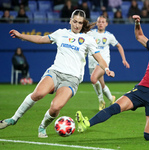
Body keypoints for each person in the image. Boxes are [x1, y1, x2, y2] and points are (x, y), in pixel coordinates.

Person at [0, 9, 115, 138]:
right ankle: (13, 119)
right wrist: (21, 35)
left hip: (72, 79)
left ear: (83, 24)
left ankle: (42, 126)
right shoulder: (61, 34)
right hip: (55, 72)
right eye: (75, 21)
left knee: (55, 107)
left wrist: (106, 69)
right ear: (70, 21)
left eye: (80, 23)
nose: (77, 25)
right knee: (38, 93)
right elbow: (40, 39)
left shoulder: (87, 39)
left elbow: (100, 59)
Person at [87, 15, 130, 111]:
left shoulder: (109, 36)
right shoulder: (90, 33)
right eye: (99, 22)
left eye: (103, 22)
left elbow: (119, 46)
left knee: (93, 79)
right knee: (101, 85)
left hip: (103, 62)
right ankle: (111, 98)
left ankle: (101, 100)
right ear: (97, 23)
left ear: (106, 24)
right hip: (91, 62)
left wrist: (124, 59)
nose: (101, 23)